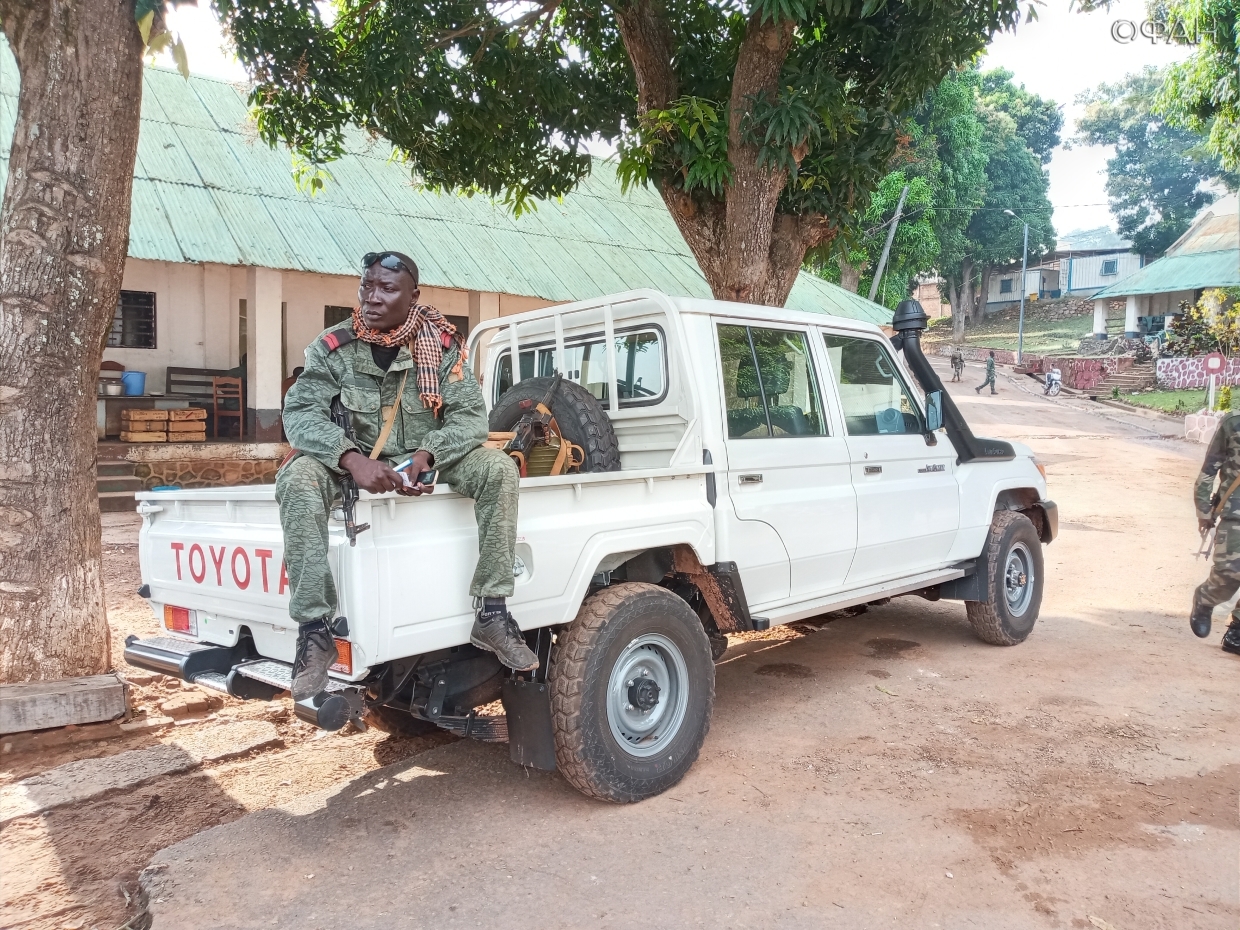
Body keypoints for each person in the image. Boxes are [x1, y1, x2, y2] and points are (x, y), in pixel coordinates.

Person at [278, 251, 536, 700]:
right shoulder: (333, 347)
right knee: (298, 478)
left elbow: (470, 419)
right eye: (367, 286)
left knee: (498, 467)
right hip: (354, 464)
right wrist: (350, 460)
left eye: (387, 289)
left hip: (428, 458)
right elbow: (300, 414)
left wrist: (428, 453)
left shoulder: (439, 345)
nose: (372, 298)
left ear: (413, 296)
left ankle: (492, 613)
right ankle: (315, 633)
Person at [1189, 412, 1240, 655]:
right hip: (1236, 510)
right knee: (1230, 572)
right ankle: (1206, 598)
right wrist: (1203, 508)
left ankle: (1238, 629)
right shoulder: (1233, 423)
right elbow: (1210, 466)